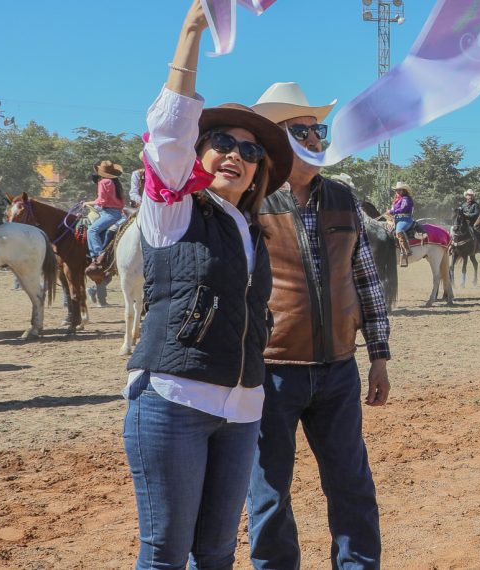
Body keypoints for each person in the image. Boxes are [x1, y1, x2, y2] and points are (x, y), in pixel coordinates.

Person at [122, 1, 292, 567]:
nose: (236, 156)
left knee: (218, 553)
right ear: (199, 154)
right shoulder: (173, 213)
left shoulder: (253, 229)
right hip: (174, 400)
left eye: (250, 151)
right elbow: (168, 132)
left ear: (258, 170)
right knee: (166, 552)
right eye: (221, 142)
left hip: (242, 408)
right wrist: (191, 31)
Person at [249, 80, 392, 570]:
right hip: (270, 371)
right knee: (269, 494)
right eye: (301, 130)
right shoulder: (251, 200)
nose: (315, 138)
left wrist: (379, 355)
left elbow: (366, 279)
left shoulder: (342, 197)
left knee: (352, 486)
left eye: (318, 129)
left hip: (337, 369)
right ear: (274, 138)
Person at [85, 160, 125, 264]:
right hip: (117, 213)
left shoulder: (104, 182)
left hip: (109, 214)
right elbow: (121, 202)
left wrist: (87, 203)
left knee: (91, 231)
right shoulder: (116, 183)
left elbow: (101, 201)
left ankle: (98, 255)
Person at [388, 181, 415, 267]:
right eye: (396, 190)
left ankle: (407, 250)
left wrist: (391, 211)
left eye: (399, 190)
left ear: (404, 190)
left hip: (405, 219)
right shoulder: (397, 200)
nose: (397, 192)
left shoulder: (406, 199)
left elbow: (403, 209)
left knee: (399, 230)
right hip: (397, 219)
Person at [461, 188, 480, 253]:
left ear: (473, 196)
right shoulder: (463, 205)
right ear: (466, 196)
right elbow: (461, 213)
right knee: (455, 230)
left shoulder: (475, 205)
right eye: (469, 195)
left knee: (477, 233)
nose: (470, 196)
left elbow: (476, 214)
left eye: (471, 195)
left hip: (473, 223)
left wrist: (467, 215)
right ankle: (452, 246)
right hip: (464, 223)